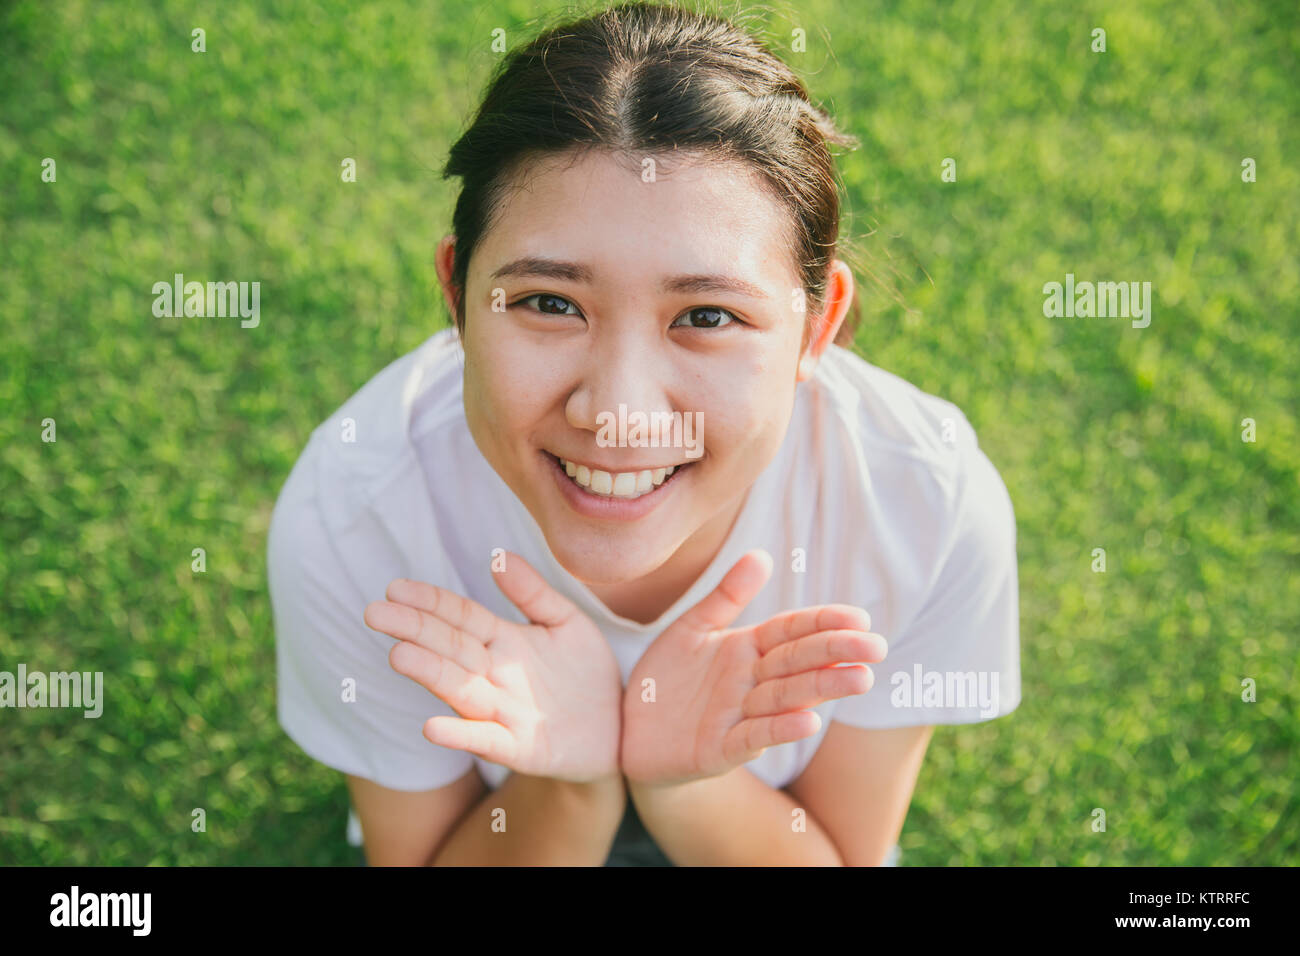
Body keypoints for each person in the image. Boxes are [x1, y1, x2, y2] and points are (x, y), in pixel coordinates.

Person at [268, 1, 1020, 866]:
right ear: (457, 298)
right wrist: (571, 778)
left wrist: (681, 777)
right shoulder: (353, 516)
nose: (619, 412)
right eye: (550, 304)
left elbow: (840, 856)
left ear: (817, 327)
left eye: (706, 314)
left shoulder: (926, 502)